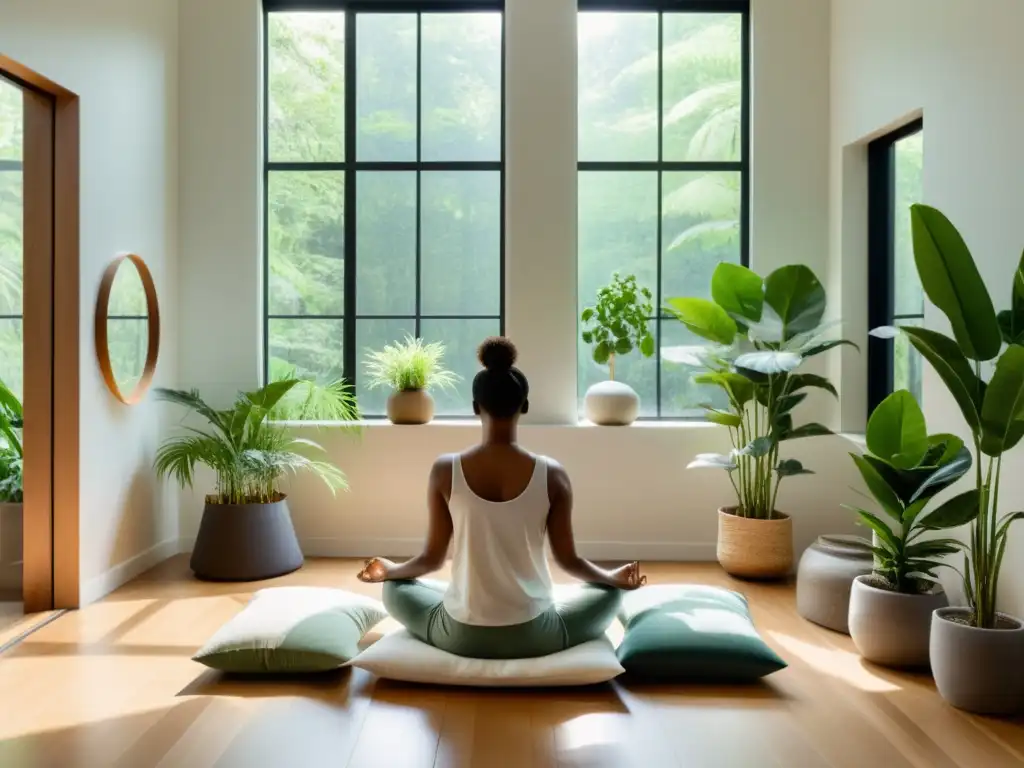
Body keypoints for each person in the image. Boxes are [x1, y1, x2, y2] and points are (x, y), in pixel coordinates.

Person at [357, 336, 645, 659]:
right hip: (535, 633)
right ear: (524, 405)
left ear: (475, 406)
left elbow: (431, 560)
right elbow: (569, 561)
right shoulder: (553, 474)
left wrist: (389, 569)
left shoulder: (444, 471)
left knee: (395, 589)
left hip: (460, 635)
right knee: (610, 595)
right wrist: (612, 578)